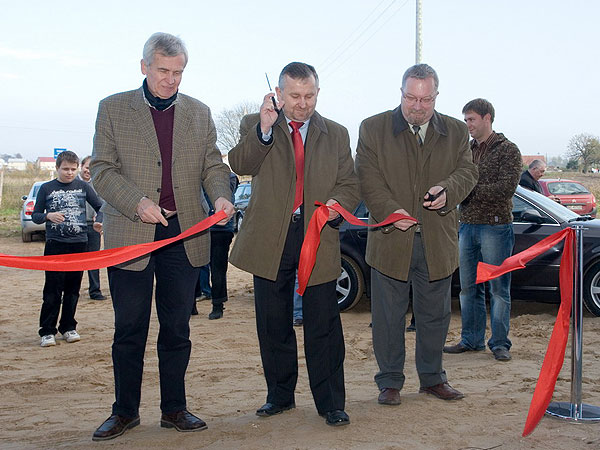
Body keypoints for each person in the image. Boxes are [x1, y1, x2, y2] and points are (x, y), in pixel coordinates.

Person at [89, 32, 234, 441]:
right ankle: (124, 412)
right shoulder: (113, 108)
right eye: (163, 71)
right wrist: (136, 202)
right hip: (131, 230)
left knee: (177, 329)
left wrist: (221, 197)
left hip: (183, 235)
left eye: (179, 72)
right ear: (144, 67)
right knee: (129, 328)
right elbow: (101, 169)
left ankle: (174, 408)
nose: (171, 80)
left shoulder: (200, 113)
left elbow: (212, 166)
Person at [228, 62, 359, 427]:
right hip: (271, 236)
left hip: (318, 235)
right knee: (273, 322)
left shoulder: (335, 133)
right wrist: (264, 130)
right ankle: (280, 396)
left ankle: (331, 402)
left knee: (324, 323)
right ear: (279, 94)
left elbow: (350, 183)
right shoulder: (256, 124)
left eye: (310, 95)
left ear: (318, 92)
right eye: (295, 96)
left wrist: (336, 207)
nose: (302, 104)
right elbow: (240, 163)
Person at [355, 64, 478, 406]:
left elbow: (468, 171)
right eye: (411, 97)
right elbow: (367, 176)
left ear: (436, 97)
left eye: (426, 99)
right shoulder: (373, 128)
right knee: (387, 318)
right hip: (390, 240)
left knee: (435, 317)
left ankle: (432, 378)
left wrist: (448, 191)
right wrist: (391, 211)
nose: (418, 106)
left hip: (437, 241)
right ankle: (390, 381)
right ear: (401, 93)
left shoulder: (454, 131)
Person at [443, 99, 522, 362]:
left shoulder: (508, 150)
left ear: (487, 118)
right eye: (465, 120)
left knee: (499, 289)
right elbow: (455, 182)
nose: (468, 125)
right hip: (466, 226)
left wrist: (468, 191)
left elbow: (505, 189)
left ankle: (500, 343)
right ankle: (471, 340)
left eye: (471, 120)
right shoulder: (464, 150)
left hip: (496, 227)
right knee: (468, 288)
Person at [32, 150, 103, 347]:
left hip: (79, 244)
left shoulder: (84, 187)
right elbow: (35, 215)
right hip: (55, 244)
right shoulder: (46, 188)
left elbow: (100, 207)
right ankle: (47, 331)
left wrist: (99, 222)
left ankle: (68, 327)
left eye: (73, 169)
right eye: (65, 169)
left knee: (73, 289)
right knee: (52, 290)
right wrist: (48, 216)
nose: (69, 173)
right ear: (57, 168)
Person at [206, 171, 239, 320]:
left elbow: (230, 186)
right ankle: (192, 304)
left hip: (220, 229)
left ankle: (218, 304)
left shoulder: (228, 176)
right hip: (199, 228)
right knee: (194, 266)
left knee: (218, 270)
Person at [79, 155, 107, 300]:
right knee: (75, 261)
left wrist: (100, 220)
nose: (88, 171)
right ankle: (71, 291)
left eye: (91, 168)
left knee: (93, 260)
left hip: (93, 227)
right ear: (81, 167)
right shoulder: (73, 184)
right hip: (76, 228)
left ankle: (95, 291)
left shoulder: (97, 184)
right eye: (86, 167)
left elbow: (102, 205)